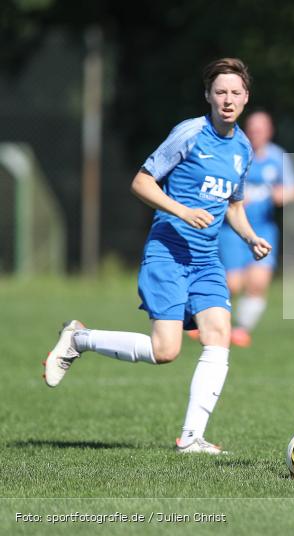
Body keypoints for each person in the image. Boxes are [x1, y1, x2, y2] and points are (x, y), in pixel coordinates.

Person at [43, 58, 271, 455]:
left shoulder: (242, 148)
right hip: (168, 252)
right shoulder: (190, 133)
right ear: (208, 96)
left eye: (236, 92)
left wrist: (250, 237)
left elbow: (233, 204)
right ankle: (79, 339)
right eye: (220, 92)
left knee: (218, 337)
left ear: (246, 97)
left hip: (206, 261)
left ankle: (191, 438)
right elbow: (141, 181)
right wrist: (181, 210)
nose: (228, 99)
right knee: (165, 351)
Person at [216, 109, 294, 347]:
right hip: (231, 230)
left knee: (258, 282)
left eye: (261, 130)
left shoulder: (277, 156)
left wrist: (280, 195)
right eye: (253, 129)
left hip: (264, 228)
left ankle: (241, 329)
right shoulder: (235, 151)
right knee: (232, 284)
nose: (256, 134)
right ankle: (202, 317)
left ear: (269, 131)